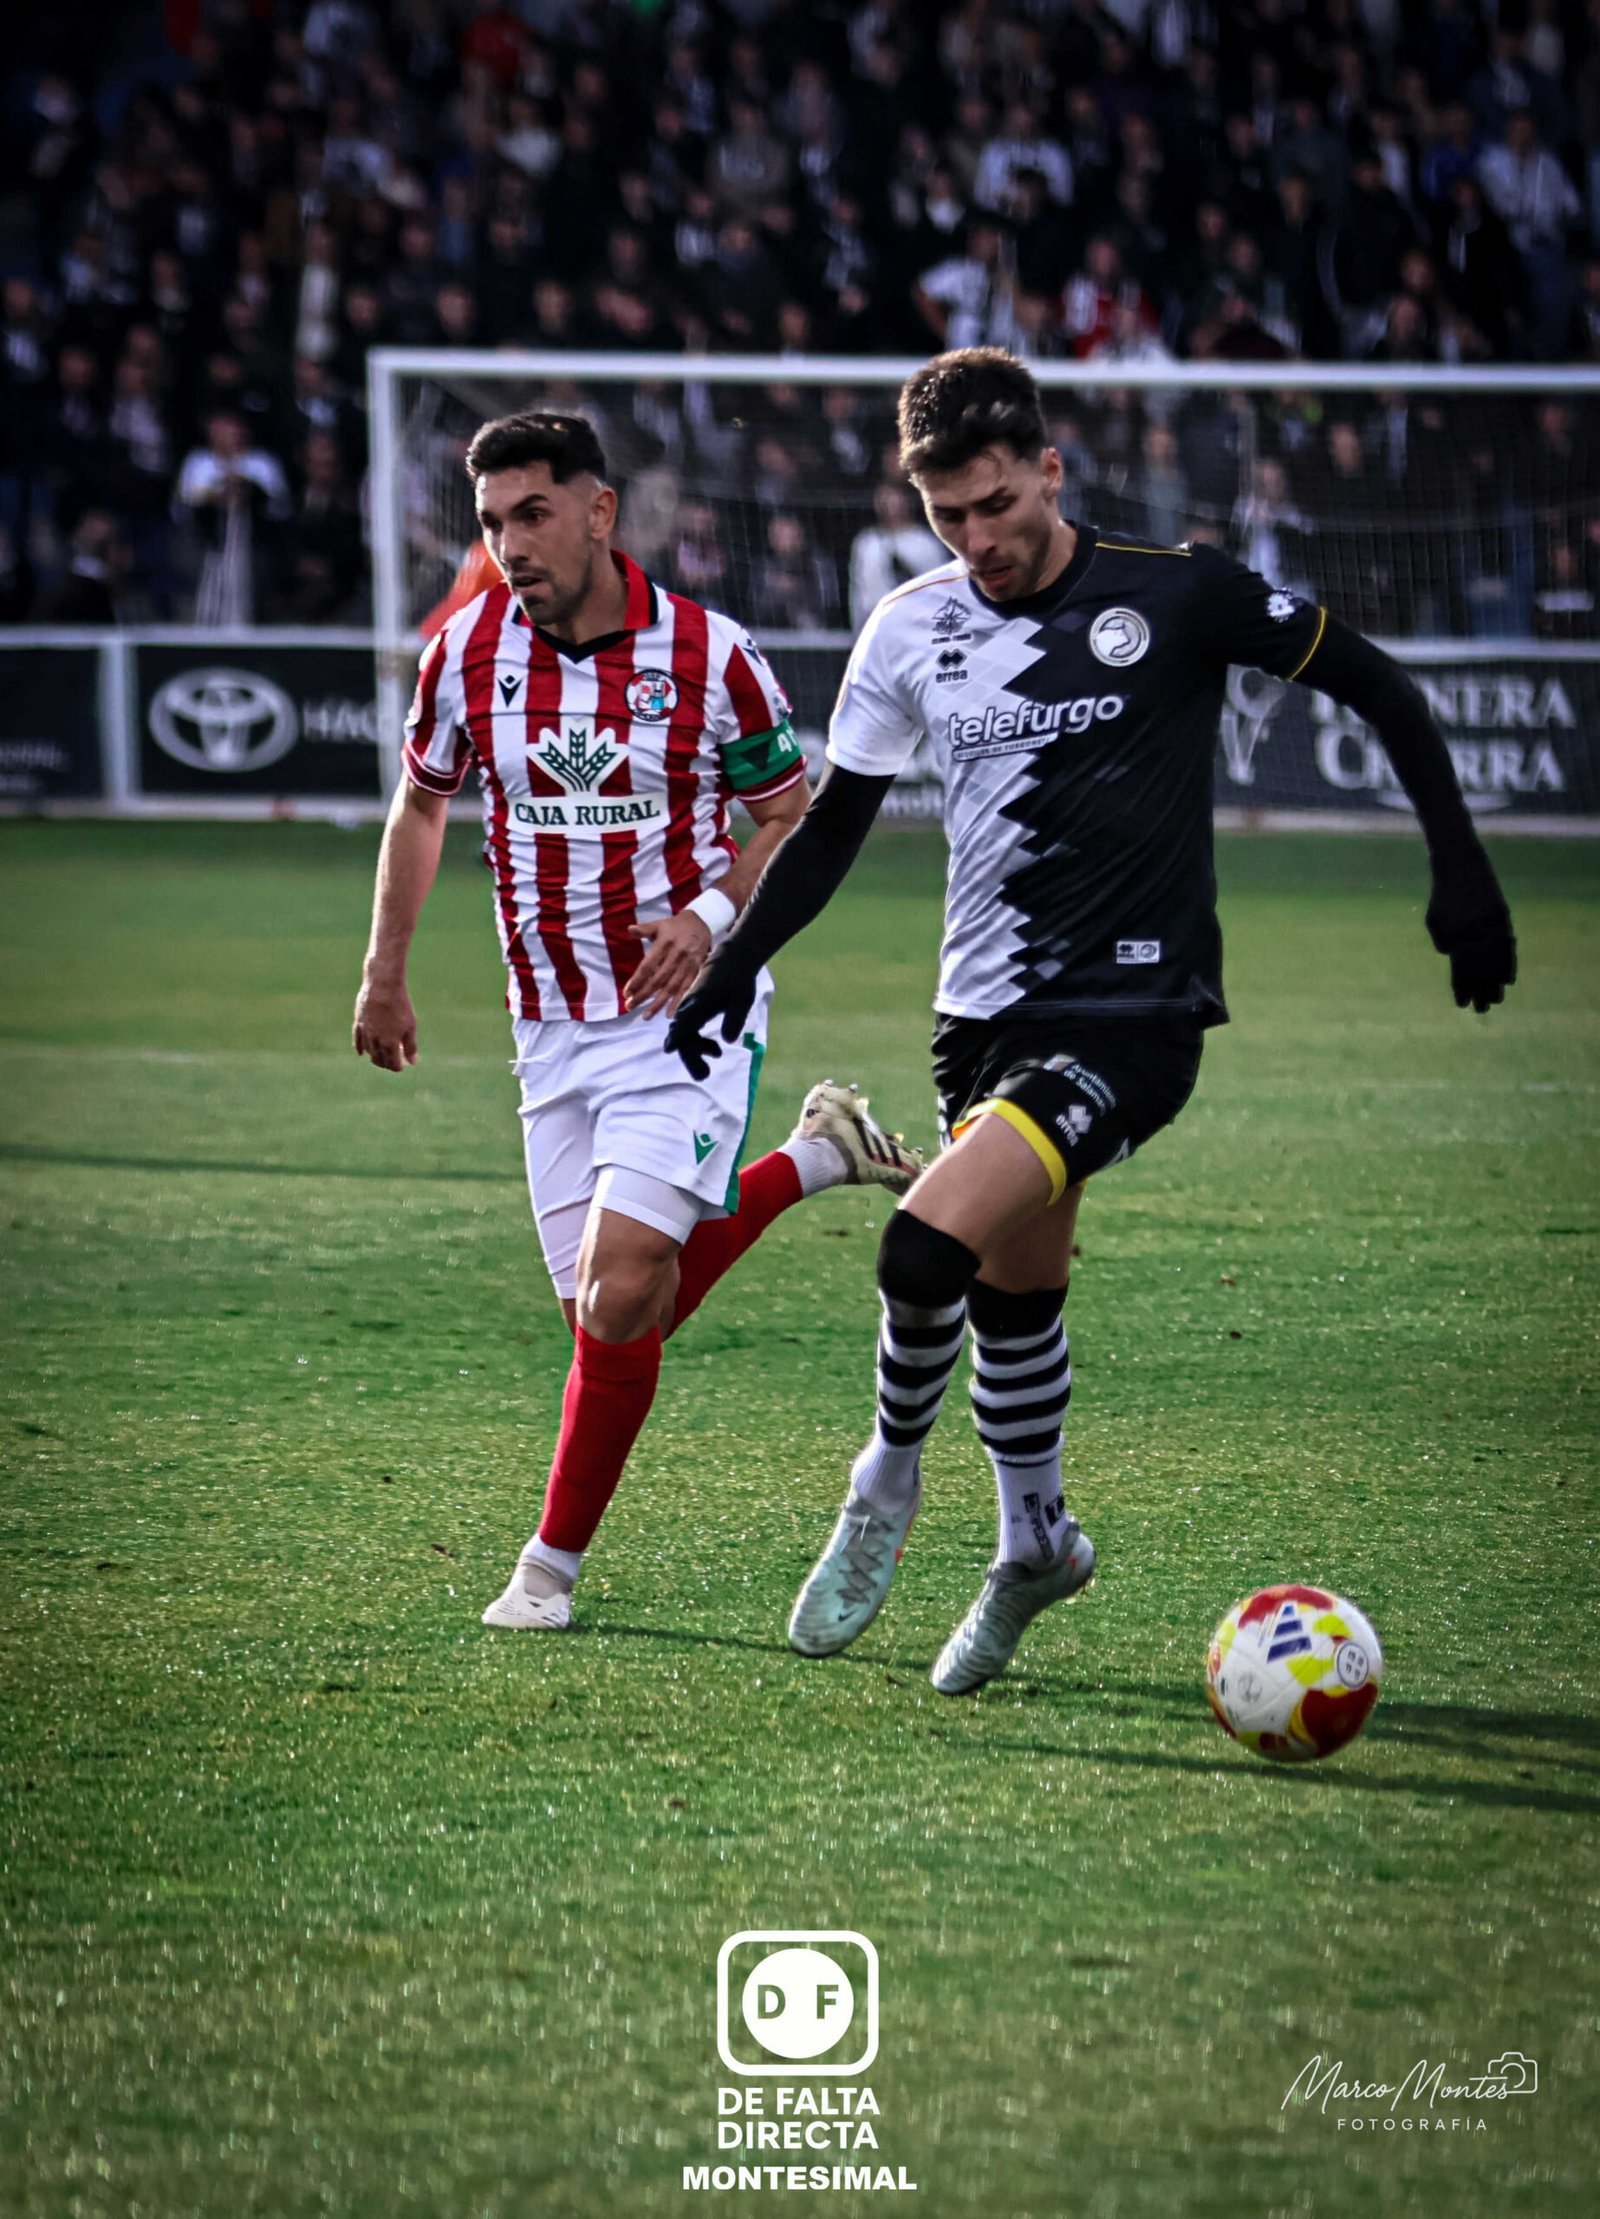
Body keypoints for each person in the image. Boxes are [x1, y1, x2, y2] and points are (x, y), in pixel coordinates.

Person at [668, 348, 1516, 1697]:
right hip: (977, 1019)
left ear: (1051, 471)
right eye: (949, 514)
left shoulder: (1176, 592)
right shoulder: (909, 629)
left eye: (998, 504)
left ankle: (882, 1482)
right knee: (1014, 1291)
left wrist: (1461, 873)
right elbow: (830, 832)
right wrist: (731, 962)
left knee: (923, 1238)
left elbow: (1384, 690)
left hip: (1135, 1013)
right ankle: (1035, 1544)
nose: (979, 537)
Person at [352, 411, 921, 1632]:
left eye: (533, 514)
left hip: (685, 1013)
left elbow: (791, 817)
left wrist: (710, 916)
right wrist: (382, 970)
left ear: (599, 511)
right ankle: (821, 1156)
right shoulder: (463, 651)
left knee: (618, 1298)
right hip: (547, 1025)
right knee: (624, 1314)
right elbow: (420, 805)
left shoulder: (712, 655)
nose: (510, 545)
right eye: (492, 522)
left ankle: (545, 1571)